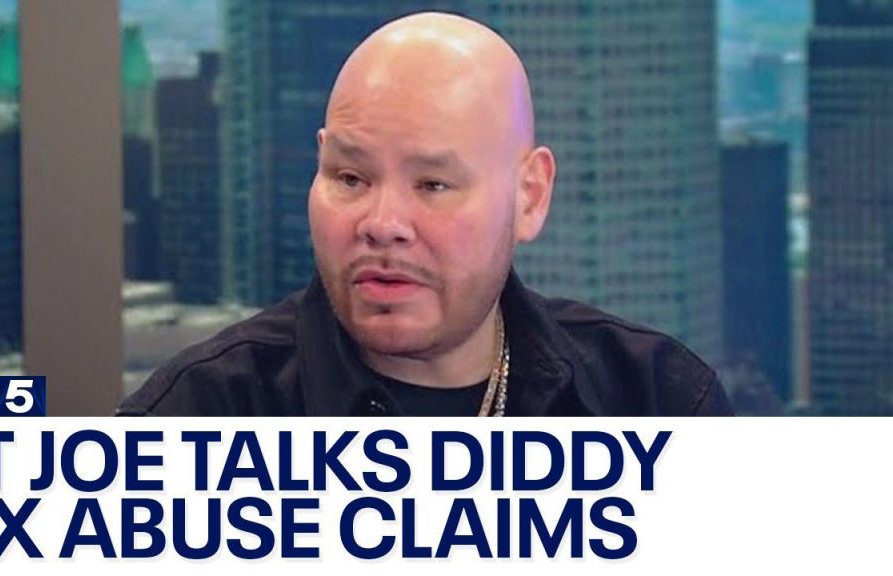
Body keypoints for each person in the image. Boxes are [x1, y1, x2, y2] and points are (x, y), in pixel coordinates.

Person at [118, 12, 732, 417]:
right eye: (350, 178)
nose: (382, 223)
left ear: (530, 196)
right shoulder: (195, 420)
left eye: (433, 184)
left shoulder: (659, 400)